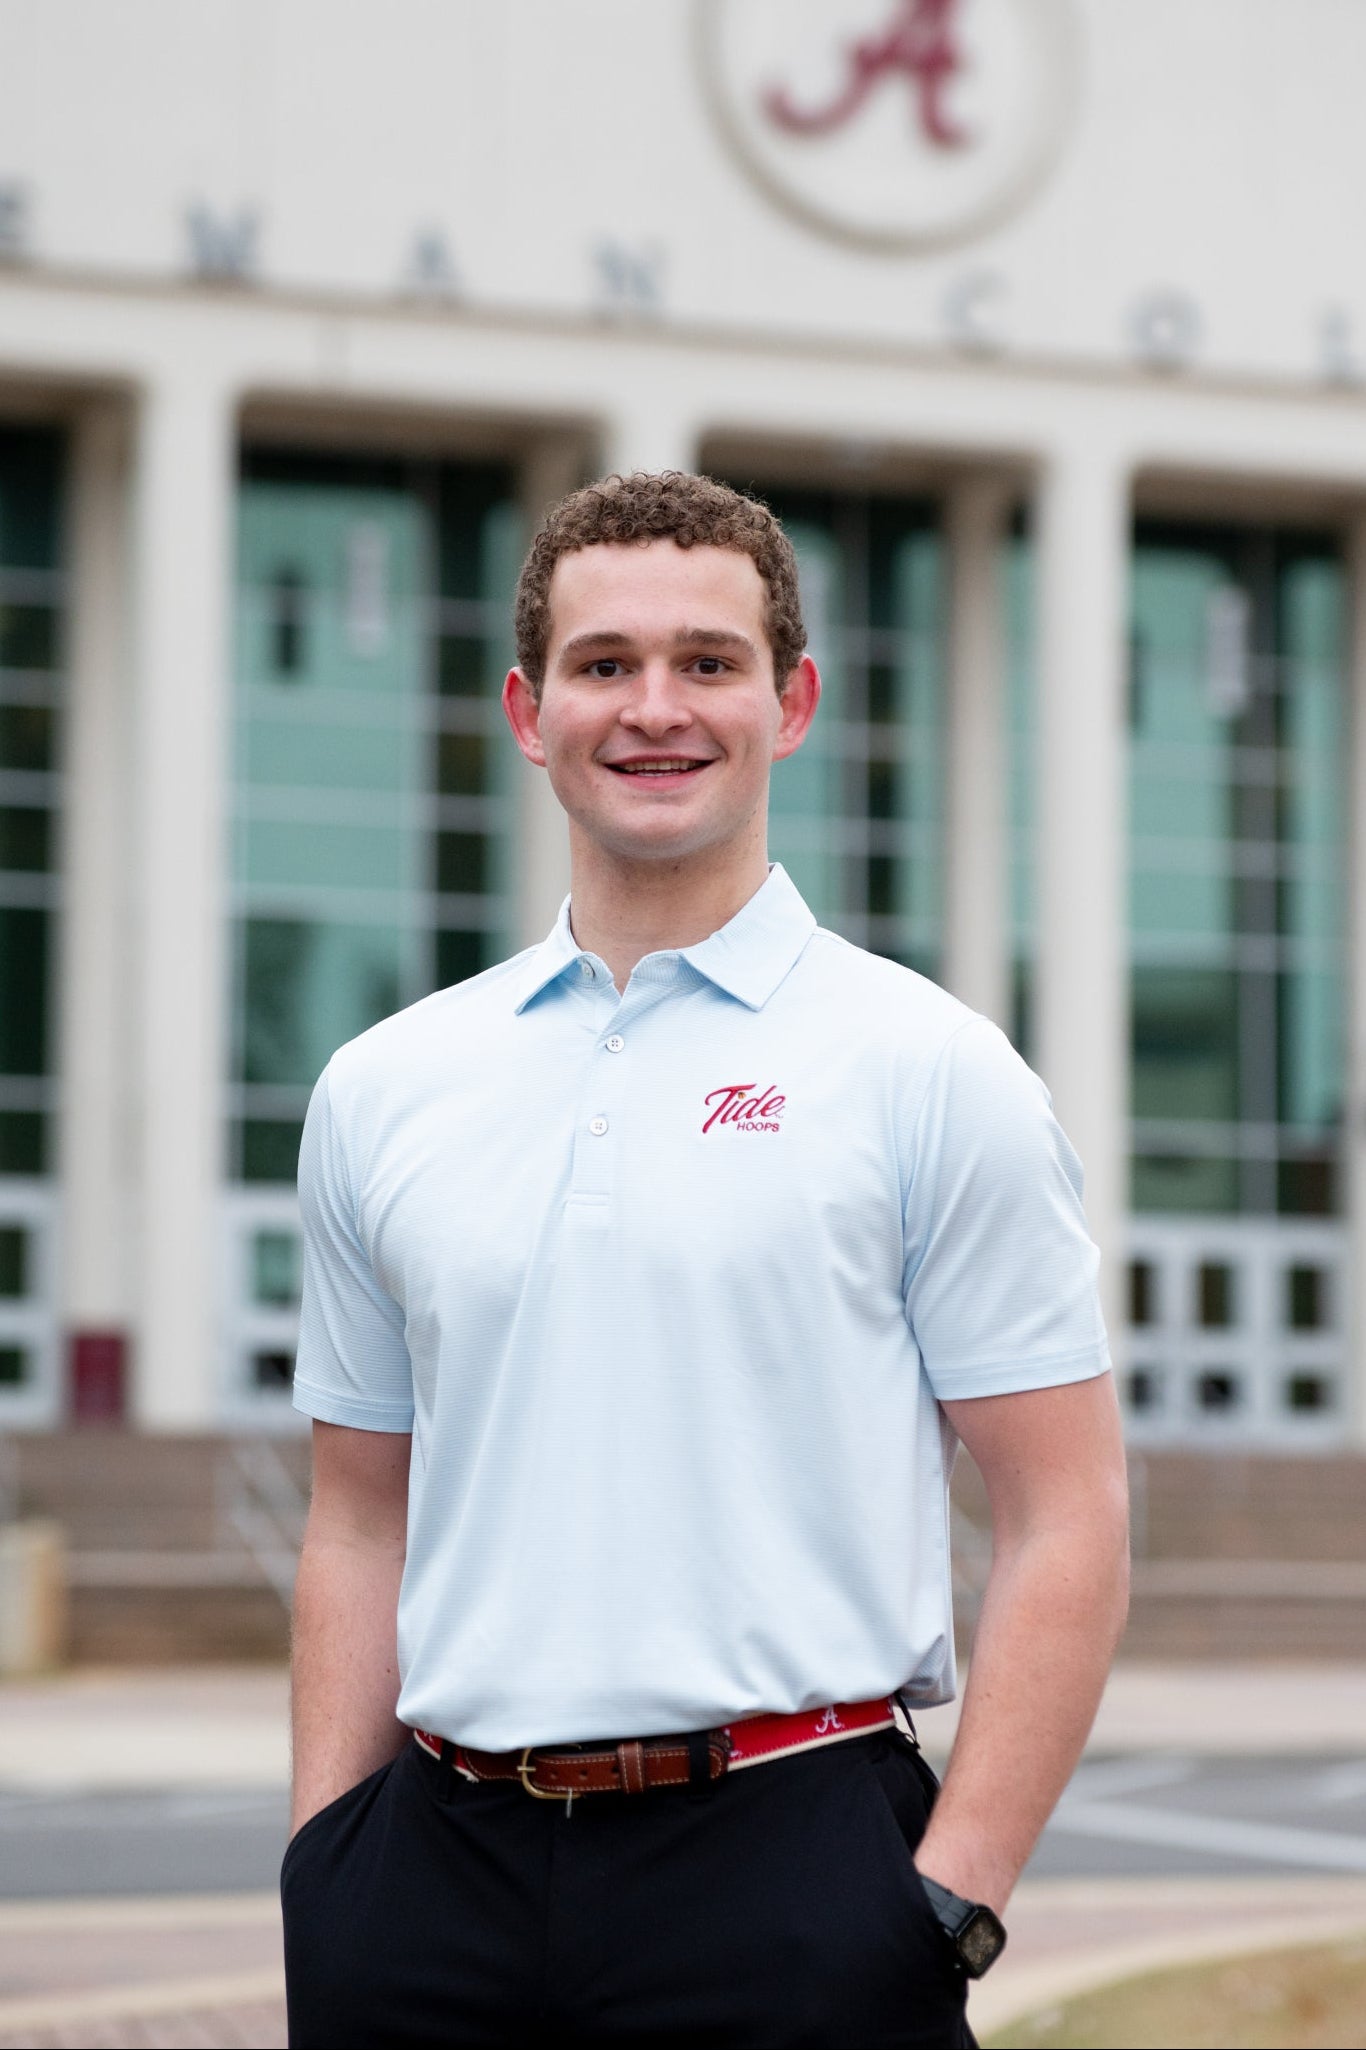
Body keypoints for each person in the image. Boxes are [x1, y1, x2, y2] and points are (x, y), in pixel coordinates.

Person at [281, 471, 1129, 2049]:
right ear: (529, 712)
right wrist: (325, 1871)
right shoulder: (385, 1085)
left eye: (707, 662)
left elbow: (1065, 1512)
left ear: (789, 703)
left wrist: (948, 1897)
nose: (654, 707)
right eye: (604, 663)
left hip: (793, 1869)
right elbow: (357, 1516)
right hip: (430, 1884)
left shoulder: (928, 1069)